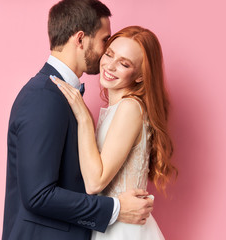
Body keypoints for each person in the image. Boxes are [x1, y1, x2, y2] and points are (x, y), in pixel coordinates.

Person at [2, 1, 153, 240]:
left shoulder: (60, 96)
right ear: (81, 39)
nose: (105, 52)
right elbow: (37, 195)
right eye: (105, 41)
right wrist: (116, 209)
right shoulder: (45, 97)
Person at [50, 25, 178, 240]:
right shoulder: (121, 108)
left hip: (123, 230)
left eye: (124, 64)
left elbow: (94, 183)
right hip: (112, 224)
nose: (110, 66)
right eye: (109, 54)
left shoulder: (130, 107)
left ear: (140, 77)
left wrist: (83, 116)